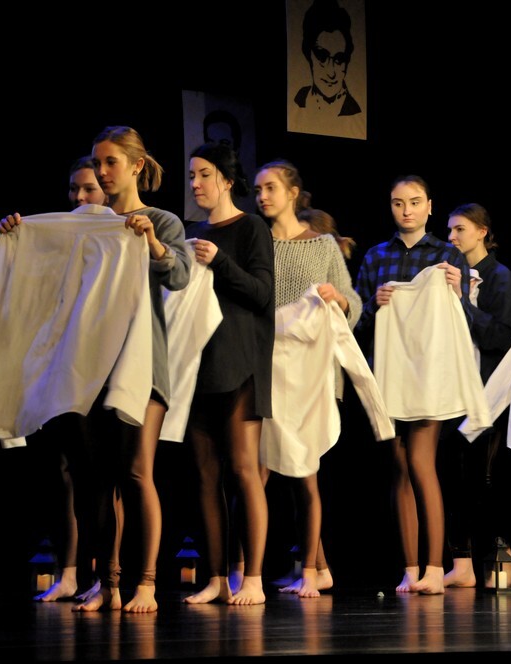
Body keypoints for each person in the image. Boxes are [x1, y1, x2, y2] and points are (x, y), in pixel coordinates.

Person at [0, 127, 190, 613]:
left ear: (136, 166)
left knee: (136, 472)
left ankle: (145, 583)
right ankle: (107, 583)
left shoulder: (159, 220)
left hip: (141, 365)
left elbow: (180, 274)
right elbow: (45, 277)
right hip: (87, 368)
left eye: (110, 163)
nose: (102, 173)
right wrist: (18, 235)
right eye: (97, 163)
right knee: (91, 479)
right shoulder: (84, 224)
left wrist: (152, 243)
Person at [353, 175, 473, 595]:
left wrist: (457, 294)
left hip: (428, 375)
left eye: (415, 202)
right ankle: (410, 568)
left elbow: (464, 323)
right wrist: (375, 304)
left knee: (422, 463)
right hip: (386, 374)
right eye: (398, 202)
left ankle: (435, 568)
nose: (406, 210)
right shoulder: (376, 256)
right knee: (399, 468)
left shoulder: (446, 255)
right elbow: (354, 324)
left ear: (429, 206)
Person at [253, 160, 362, 598]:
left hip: (311, 375)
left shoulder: (322, 246)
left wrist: (339, 299)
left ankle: (314, 570)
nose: (262, 196)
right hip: (267, 369)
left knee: (305, 474)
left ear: (293, 193)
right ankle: (245, 570)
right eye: (258, 190)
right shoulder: (256, 240)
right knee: (255, 471)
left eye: (271, 188)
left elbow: (352, 300)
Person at [182, 142, 274, 605]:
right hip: (199, 363)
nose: (196, 184)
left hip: (242, 363)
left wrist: (218, 260)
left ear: (226, 180)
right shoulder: (191, 231)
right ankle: (216, 577)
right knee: (204, 474)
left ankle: (252, 577)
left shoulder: (251, 227)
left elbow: (262, 293)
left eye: (204, 175)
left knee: (243, 468)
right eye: (192, 176)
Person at [19, 156, 110, 605]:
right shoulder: (60, 237)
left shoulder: (115, 234)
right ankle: (70, 572)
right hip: (62, 366)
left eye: (89, 189)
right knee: (64, 472)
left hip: (102, 368)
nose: (79, 197)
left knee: (100, 477)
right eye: (74, 189)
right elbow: (27, 284)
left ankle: (106, 575)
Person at [440, 203, 511, 588]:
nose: (452, 237)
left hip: (490, 393)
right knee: (456, 476)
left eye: (460, 229)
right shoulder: (450, 274)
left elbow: (508, 336)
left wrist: (462, 304)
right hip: (454, 391)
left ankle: (497, 556)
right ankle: (462, 563)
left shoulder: (499, 277)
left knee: (485, 477)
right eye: (449, 230)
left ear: (482, 232)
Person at [289, 0, 365, 140]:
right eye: (322, 56)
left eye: (339, 59)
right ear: (308, 54)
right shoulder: (298, 99)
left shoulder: (355, 112)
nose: (331, 73)